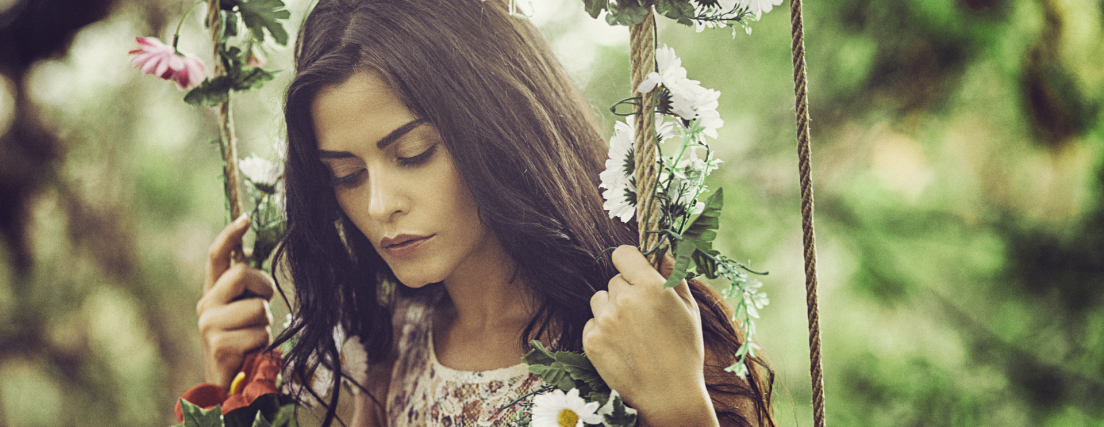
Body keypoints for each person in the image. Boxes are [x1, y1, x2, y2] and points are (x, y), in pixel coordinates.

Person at [195, 0, 776, 425]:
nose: (378, 205)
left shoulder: (637, 332)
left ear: (497, 132)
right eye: (346, 175)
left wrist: (678, 406)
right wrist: (237, 388)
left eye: (414, 154)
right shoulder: (384, 356)